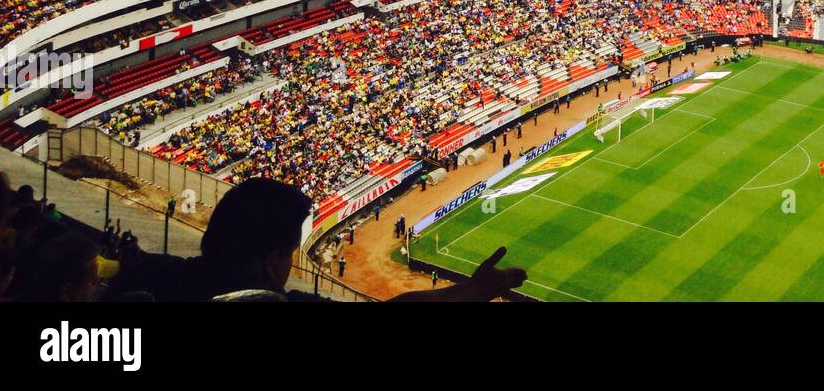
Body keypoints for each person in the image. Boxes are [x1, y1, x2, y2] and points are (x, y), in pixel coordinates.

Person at [106, 177, 525, 302]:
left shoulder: (151, 277)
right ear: (273, 259)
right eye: (291, 253)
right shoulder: (287, 303)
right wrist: (471, 292)